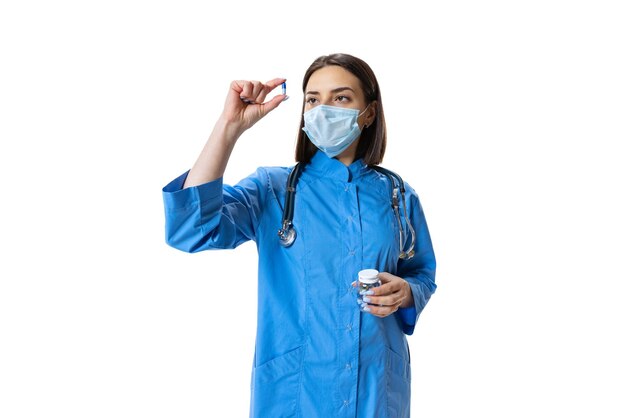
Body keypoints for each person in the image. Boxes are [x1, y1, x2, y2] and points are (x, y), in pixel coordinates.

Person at [162, 53, 436, 418]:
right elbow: (189, 229)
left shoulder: (397, 195)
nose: (324, 109)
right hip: (295, 392)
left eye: (341, 98)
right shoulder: (273, 189)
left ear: (368, 113)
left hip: (376, 390)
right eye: (312, 99)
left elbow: (421, 273)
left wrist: (407, 293)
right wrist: (229, 127)